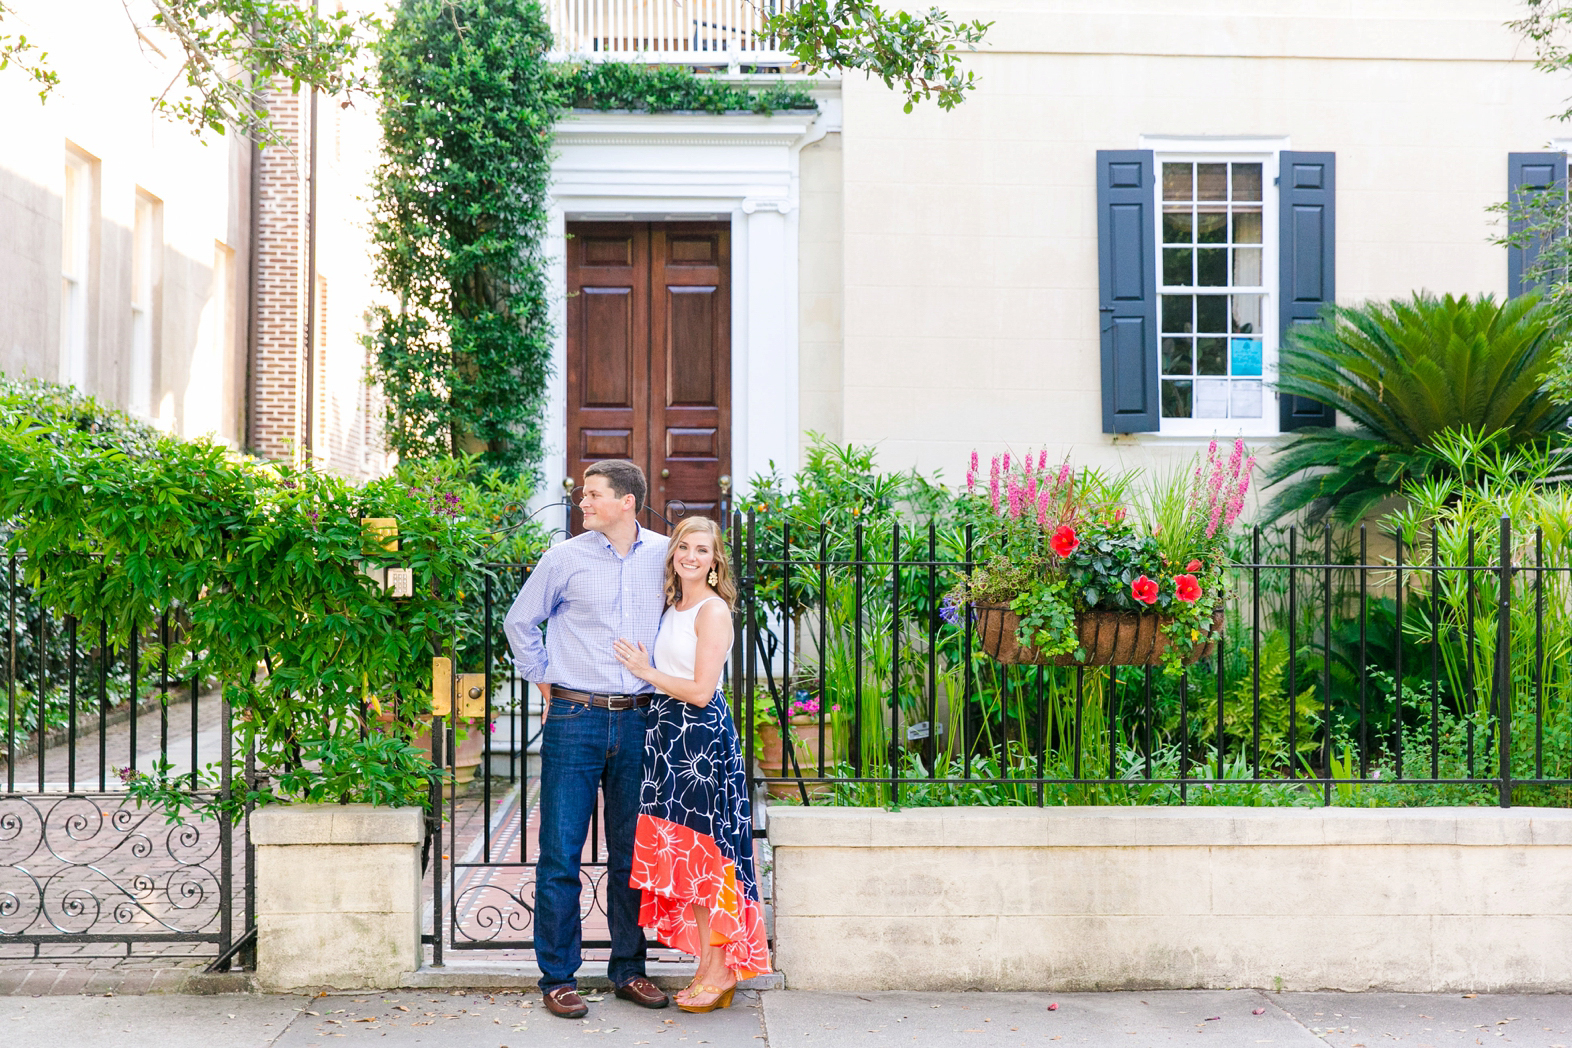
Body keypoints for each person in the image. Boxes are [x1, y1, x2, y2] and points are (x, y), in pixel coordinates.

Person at [502, 460, 672, 1020]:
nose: (583, 502)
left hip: (643, 719)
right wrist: (544, 676)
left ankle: (629, 969)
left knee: (632, 853)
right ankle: (558, 976)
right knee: (559, 853)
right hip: (576, 718)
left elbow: (697, 618)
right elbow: (519, 621)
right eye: (582, 494)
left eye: (593, 495)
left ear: (627, 501)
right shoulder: (564, 558)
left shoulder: (667, 555)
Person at [611, 516, 771, 1014]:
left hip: (699, 738)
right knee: (688, 859)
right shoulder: (673, 605)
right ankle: (708, 964)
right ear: (674, 553)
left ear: (715, 561)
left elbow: (702, 691)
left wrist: (645, 671)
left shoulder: (712, 610)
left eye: (703, 550)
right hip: (666, 735)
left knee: (710, 857)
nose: (692, 556)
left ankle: (722, 969)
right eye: (684, 546)